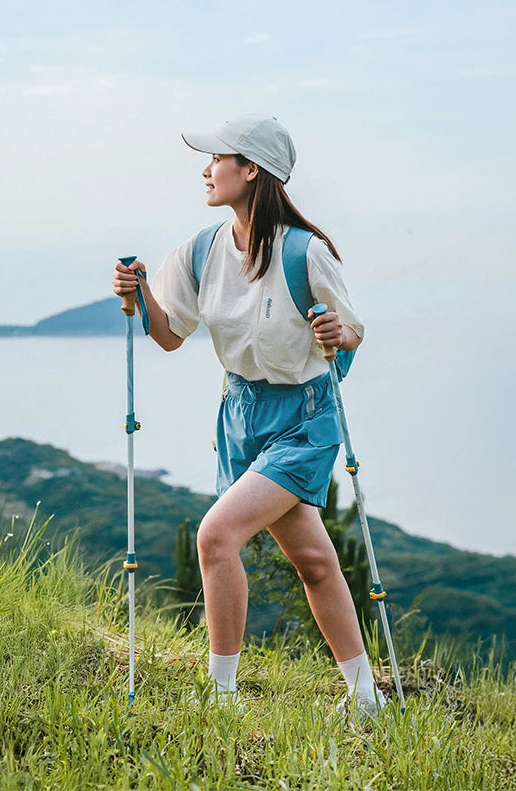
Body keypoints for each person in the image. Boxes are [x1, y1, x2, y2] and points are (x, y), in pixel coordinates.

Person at [112, 114, 384, 715]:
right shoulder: (200, 250)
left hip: (303, 420)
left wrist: (341, 332)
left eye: (218, 159)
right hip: (239, 414)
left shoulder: (305, 252)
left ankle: (221, 699)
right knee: (313, 560)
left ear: (251, 170)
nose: (206, 170)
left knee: (216, 535)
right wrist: (140, 295)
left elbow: (353, 329)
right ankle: (367, 702)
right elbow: (168, 335)